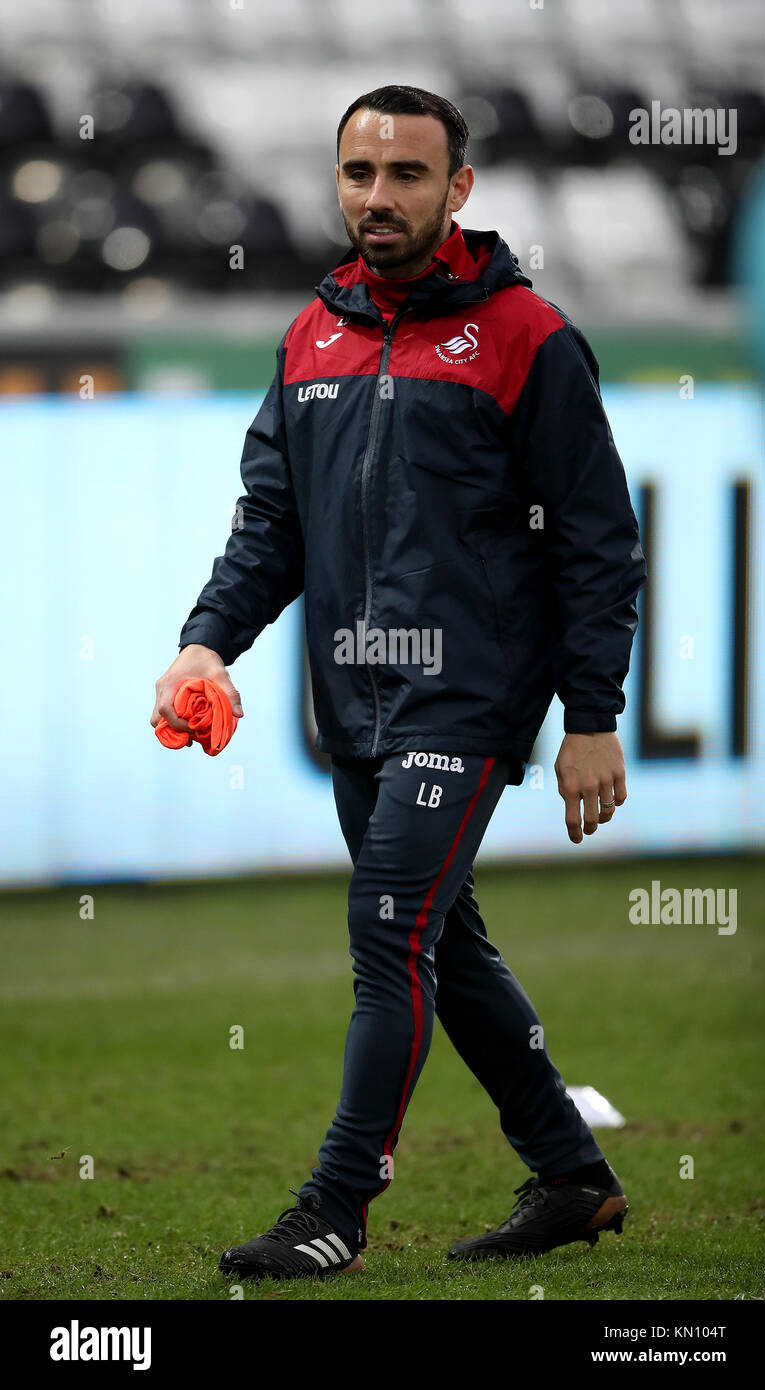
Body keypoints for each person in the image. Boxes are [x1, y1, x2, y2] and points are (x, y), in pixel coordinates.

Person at [151, 85, 647, 1281]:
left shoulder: (527, 335)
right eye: (360, 174)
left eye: (408, 175)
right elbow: (271, 522)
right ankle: (572, 1174)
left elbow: (596, 539)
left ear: (458, 189)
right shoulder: (309, 334)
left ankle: (336, 1203)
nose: (380, 196)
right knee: (444, 945)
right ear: (336, 183)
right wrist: (206, 640)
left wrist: (591, 715)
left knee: (386, 930)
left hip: (465, 699)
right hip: (351, 701)